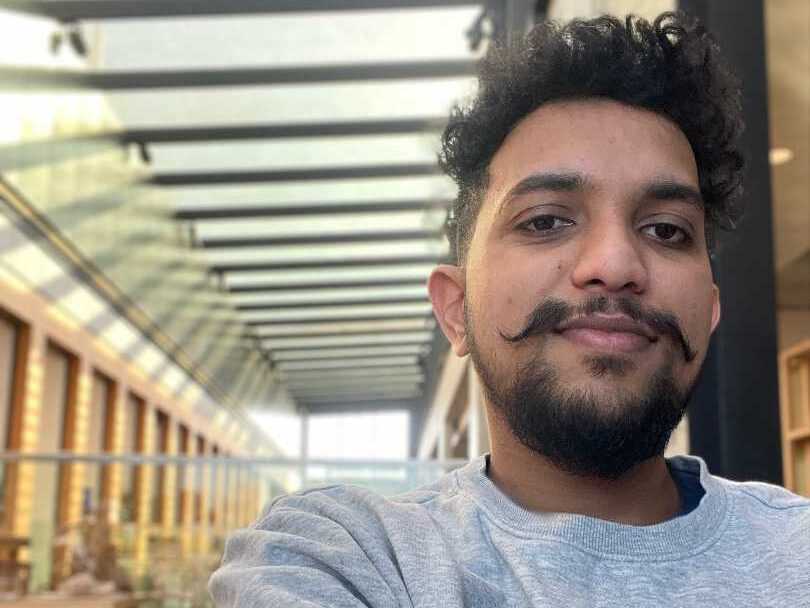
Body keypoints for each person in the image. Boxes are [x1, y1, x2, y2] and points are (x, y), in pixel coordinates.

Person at [209, 12, 810, 607]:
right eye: (545, 221)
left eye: (666, 229)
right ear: (456, 310)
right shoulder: (349, 556)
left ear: (709, 311)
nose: (615, 263)